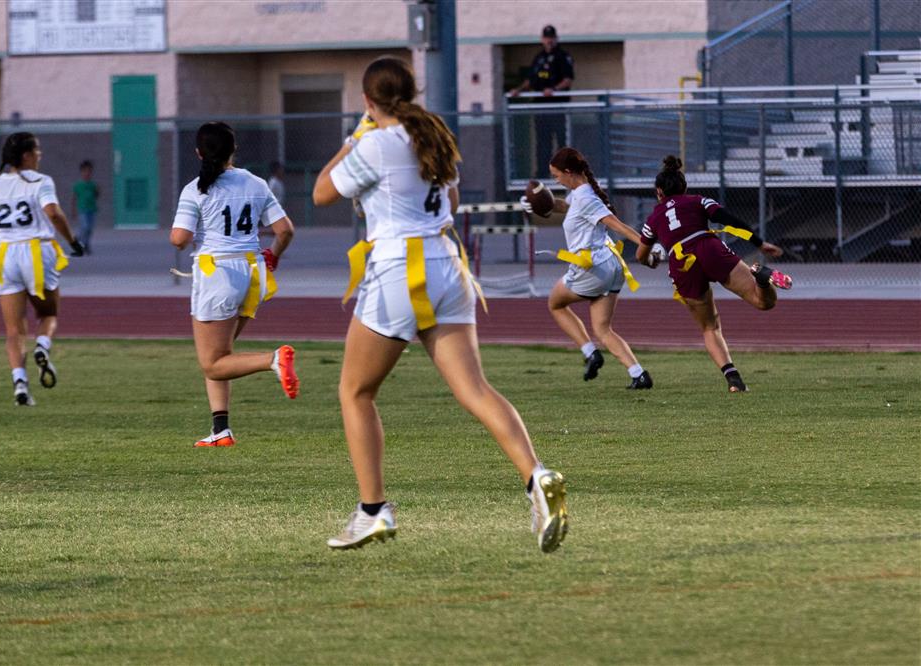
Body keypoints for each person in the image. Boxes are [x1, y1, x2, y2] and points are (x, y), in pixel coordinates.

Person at [313, 57, 569, 554]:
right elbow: (449, 204)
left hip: (400, 269)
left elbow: (321, 191)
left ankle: (372, 511)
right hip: (449, 265)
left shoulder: (375, 141)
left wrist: (353, 137)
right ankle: (536, 476)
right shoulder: (432, 133)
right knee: (474, 388)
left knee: (355, 391)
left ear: (367, 101)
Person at [170, 122, 300, 447]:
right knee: (220, 356)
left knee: (212, 363)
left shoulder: (196, 189)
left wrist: (188, 233)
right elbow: (285, 230)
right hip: (251, 272)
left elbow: (179, 239)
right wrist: (273, 256)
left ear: (199, 152)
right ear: (234, 150)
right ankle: (221, 430)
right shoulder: (255, 183)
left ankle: (273, 359)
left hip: (218, 274)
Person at [636, 155, 793, 392]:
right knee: (763, 303)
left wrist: (651, 261)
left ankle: (734, 381)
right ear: (685, 187)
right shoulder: (698, 201)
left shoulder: (652, 219)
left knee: (710, 327)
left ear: (658, 192)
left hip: (681, 263)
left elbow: (640, 255)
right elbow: (728, 219)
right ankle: (761, 279)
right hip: (708, 248)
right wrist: (759, 244)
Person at [522, 147, 653, 389]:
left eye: (556, 175)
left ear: (569, 172)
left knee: (555, 302)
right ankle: (638, 374)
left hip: (593, 267)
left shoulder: (586, 198)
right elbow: (564, 207)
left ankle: (590, 352)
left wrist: (649, 245)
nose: (555, 180)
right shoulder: (581, 192)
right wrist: (539, 203)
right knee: (603, 328)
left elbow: (617, 224)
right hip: (612, 265)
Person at [0, 132, 85, 406]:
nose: (40, 156)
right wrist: (72, 240)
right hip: (37, 252)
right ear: (26, 155)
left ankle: (20, 386)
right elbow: (53, 212)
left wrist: (10, 232)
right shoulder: (40, 181)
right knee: (48, 313)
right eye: (36, 151)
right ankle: (42, 347)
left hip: (5, 256)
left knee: (13, 330)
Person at [508, 25, 575, 175]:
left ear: (556, 39)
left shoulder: (563, 57)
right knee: (542, 143)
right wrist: (519, 90)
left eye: (551, 38)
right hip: (541, 108)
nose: (549, 41)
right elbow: (531, 80)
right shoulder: (539, 58)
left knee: (561, 142)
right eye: (546, 38)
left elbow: (568, 80)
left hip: (558, 107)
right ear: (542, 39)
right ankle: (543, 175)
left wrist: (554, 90)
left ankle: (565, 173)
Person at [72, 160, 99, 254]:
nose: (87, 174)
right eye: (85, 171)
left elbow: (96, 196)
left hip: (92, 209)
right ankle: (80, 241)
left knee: (90, 229)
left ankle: (86, 244)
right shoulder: (78, 185)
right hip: (82, 209)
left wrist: (97, 191)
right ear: (81, 172)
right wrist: (74, 210)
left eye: (89, 171)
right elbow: (74, 198)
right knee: (85, 226)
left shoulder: (93, 184)